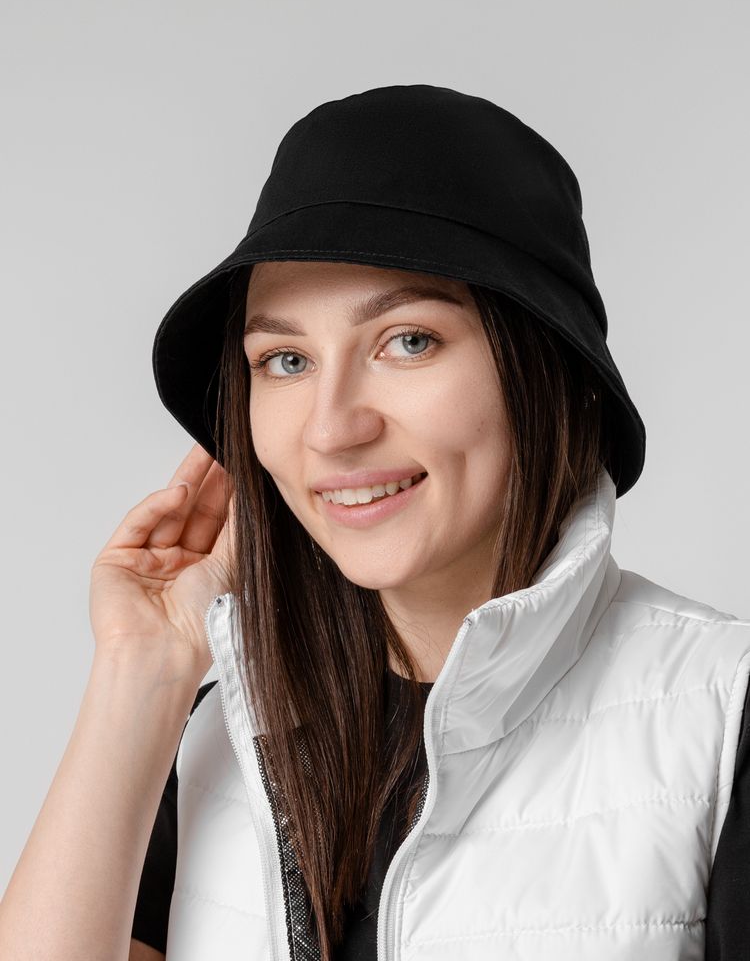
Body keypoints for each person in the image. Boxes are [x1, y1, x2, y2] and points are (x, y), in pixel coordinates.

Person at [0, 84, 747, 961]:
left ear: (546, 372)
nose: (331, 428)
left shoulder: (722, 712)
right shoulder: (214, 734)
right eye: (286, 360)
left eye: (409, 341)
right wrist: (143, 668)